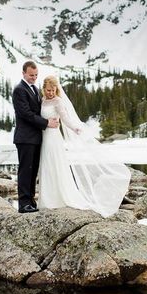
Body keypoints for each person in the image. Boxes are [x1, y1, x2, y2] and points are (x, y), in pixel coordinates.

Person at [38, 75, 131, 217]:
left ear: (56, 89)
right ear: (44, 89)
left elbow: (66, 118)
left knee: (55, 165)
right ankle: (46, 200)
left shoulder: (58, 101)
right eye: (48, 90)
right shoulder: (43, 101)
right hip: (44, 138)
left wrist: (75, 128)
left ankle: (58, 199)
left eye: (52, 90)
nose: (50, 92)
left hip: (54, 138)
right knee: (46, 166)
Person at [12, 61, 58, 213]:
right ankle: (23, 204)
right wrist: (46, 123)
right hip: (25, 138)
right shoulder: (19, 90)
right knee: (25, 170)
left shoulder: (35, 89)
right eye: (31, 75)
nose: (34, 78)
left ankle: (31, 201)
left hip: (36, 138)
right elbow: (25, 114)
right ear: (23, 73)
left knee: (33, 171)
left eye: (36, 75)